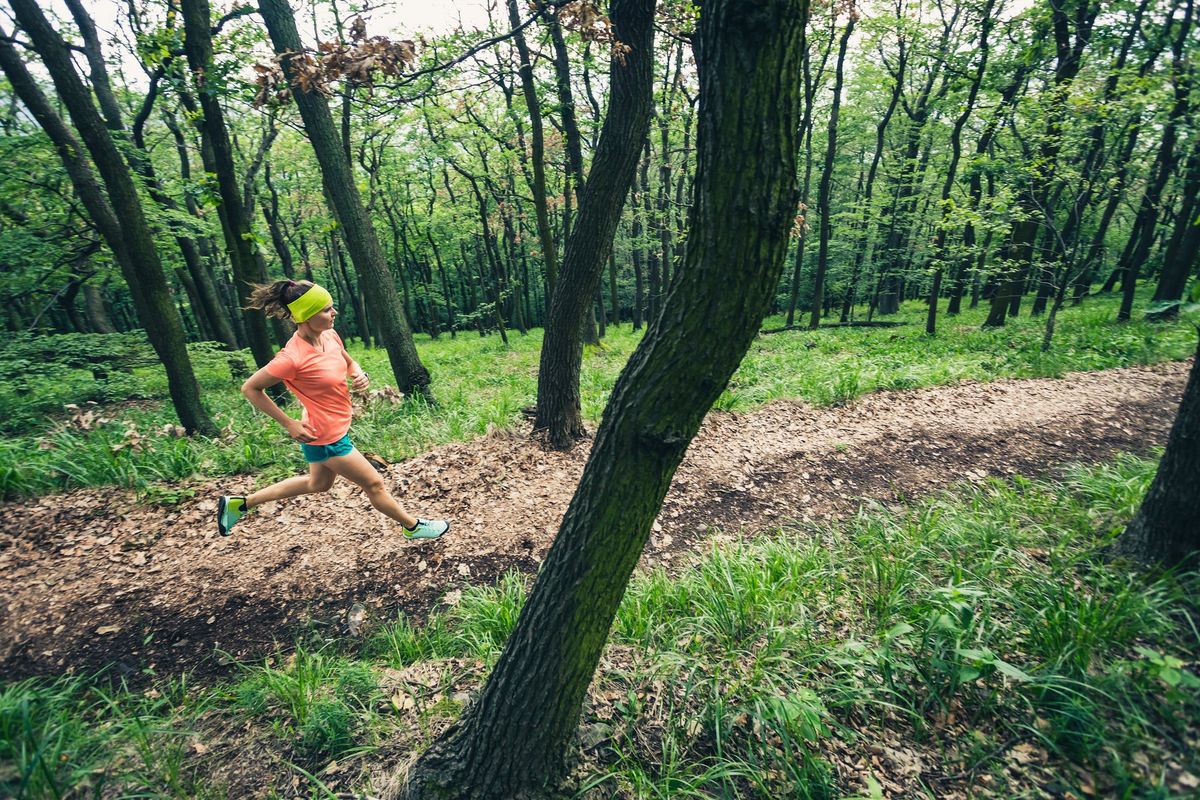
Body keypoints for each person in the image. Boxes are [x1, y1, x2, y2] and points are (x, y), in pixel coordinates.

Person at [216, 279, 449, 541]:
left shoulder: (329, 336)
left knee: (318, 484)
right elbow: (250, 388)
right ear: (305, 315)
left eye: (332, 307)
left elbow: (349, 362)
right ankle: (413, 527)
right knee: (374, 484)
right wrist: (288, 423)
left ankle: (240, 503)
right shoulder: (292, 358)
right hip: (326, 436)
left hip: (329, 428)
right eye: (326, 310)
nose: (333, 313)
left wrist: (358, 373)